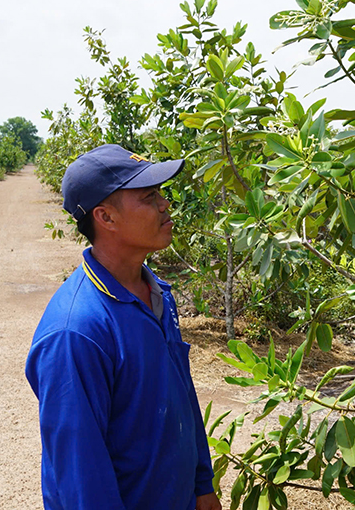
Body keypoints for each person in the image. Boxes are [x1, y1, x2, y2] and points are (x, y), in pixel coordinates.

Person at [25, 144, 222, 510]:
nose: (165, 204)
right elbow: (80, 474)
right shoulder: (76, 333)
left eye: (161, 194)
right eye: (149, 197)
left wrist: (201, 483)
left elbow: (181, 395)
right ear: (106, 217)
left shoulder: (156, 292)